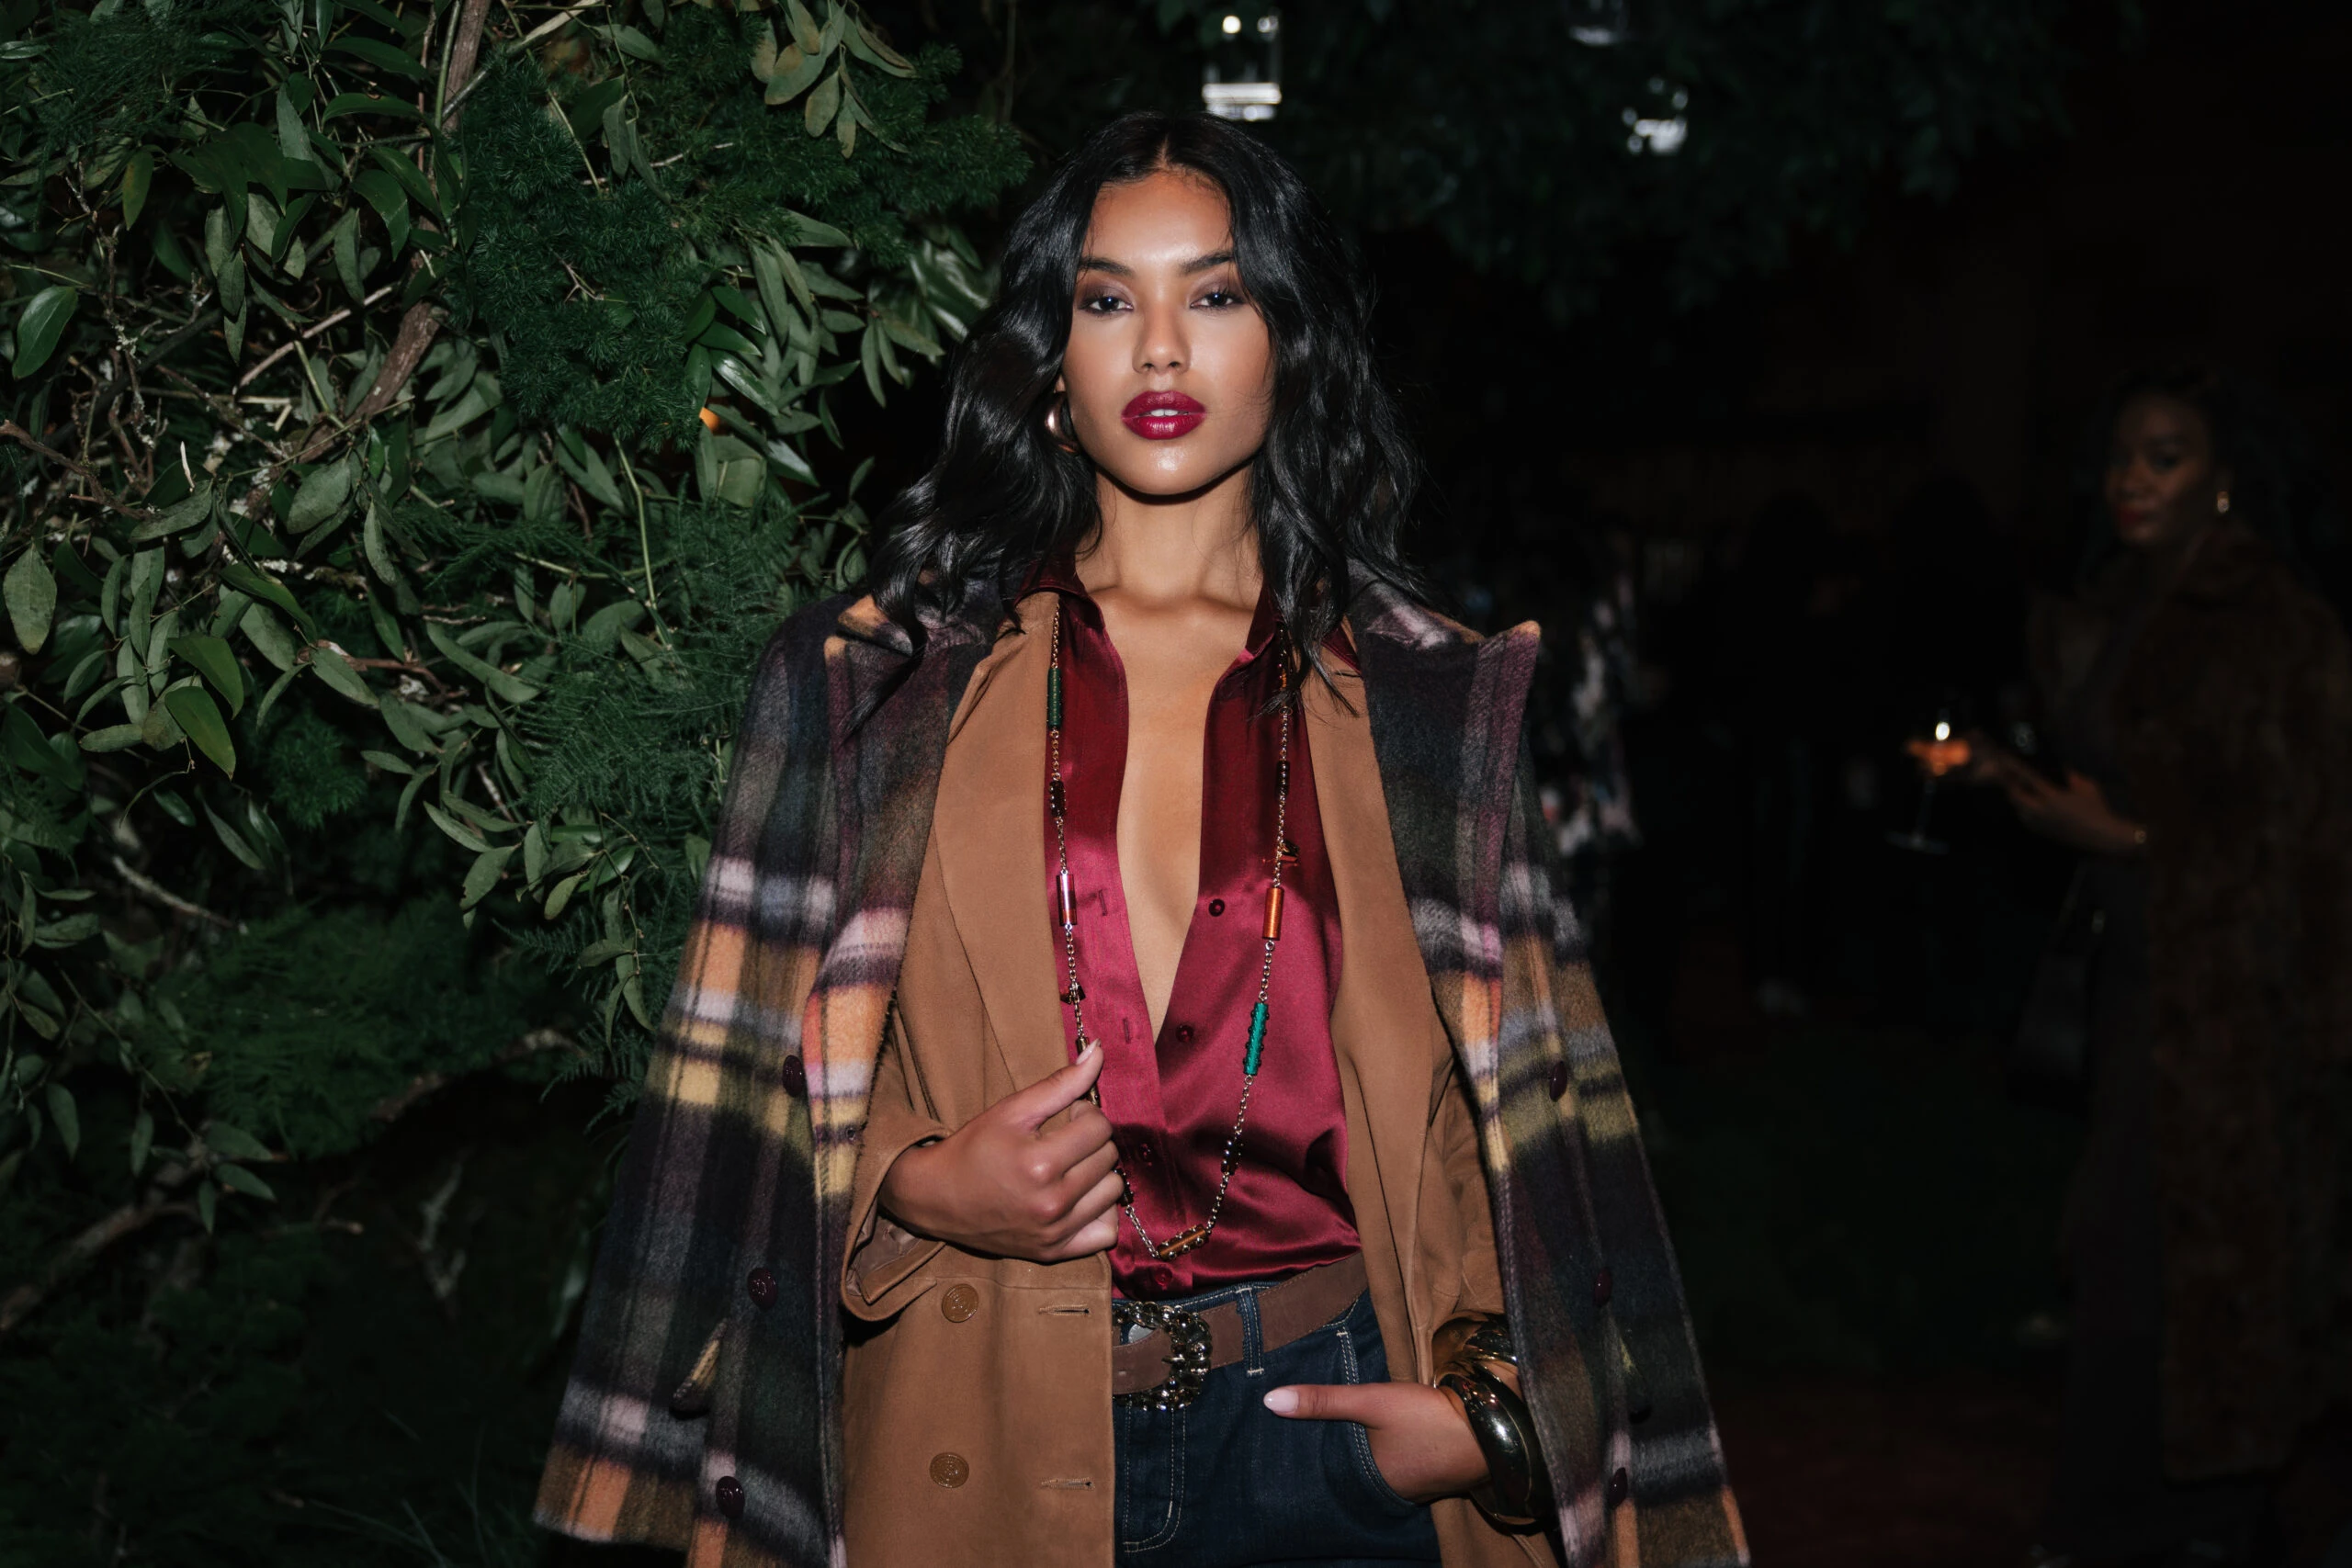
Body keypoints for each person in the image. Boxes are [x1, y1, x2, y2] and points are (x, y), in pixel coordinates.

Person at [530, 114, 1745, 1568]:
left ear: (1291, 349)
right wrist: (914, 1180)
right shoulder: (876, 682)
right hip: (976, 1422)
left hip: (1341, 1443)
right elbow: (746, 1083)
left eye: (1215, 294)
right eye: (1108, 300)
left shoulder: (1425, 701)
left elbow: (1522, 1126)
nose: (1160, 347)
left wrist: (1489, 1420)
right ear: (1051, 369)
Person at [1960, 368, 2352, 1565]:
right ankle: (2161, 1518)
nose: (2130, 479)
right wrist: (2021, 781)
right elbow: (2126, 778)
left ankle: (2169, 1523)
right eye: (2122, 456)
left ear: (2223, 478)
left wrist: (2128, 837)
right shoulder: (2124, 605)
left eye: (2164, 456)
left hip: (2235, 1006)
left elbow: (2308, 839)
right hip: (2134, 981)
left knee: (2188, 1271)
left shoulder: (2277, 625)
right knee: (2126, 1260)